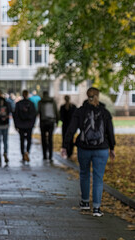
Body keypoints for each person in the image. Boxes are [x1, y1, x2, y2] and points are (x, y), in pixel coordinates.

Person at [61, 87, 116, 217]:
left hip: (84, 148)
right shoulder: (105, 112)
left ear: (87, 96)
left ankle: (85, 202)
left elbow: (71, 129)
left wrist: (65, 146)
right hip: (102, 149)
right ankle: (96, 208)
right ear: (98, 95)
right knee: (98, 178)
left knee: (84, 174)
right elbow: (110, 132)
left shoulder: (80, 111)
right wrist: (112, 148)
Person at [13, 90, 37, 162]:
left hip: (21, 125)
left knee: (22, 140)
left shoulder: (18, 104)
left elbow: (15, 115)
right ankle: (27, 151)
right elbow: (34, 115)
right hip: (29, 125)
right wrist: (33, 124)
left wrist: (16, 125)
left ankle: (23, 154)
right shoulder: (31, 104)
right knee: (29, 139)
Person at [38, 91, 59, 161]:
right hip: (51, 121)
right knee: (50, 139)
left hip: (43, 122)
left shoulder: (40, 102)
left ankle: (44, 155)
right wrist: (57, 121)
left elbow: (38, 111)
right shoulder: (52, 101)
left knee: (43, 139)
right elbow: (56, 111)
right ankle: (50, 155)